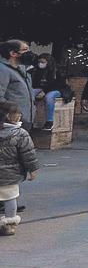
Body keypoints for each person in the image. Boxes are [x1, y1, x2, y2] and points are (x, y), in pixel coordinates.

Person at [0, 101, 38, 235]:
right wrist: (33, 170)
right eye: (17, 113)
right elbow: (29, 154)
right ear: (8, 116)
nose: (20, 115)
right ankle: (9, 224)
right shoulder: (21, 133)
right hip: (11, 174)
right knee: (10, 198)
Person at [0, 41, 35, 133]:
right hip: (9, 124)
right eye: (25, 50)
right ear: (13, 53)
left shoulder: (23, 70)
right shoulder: (3, 70)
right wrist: (13, 111)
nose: (29, 53)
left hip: (24, 122)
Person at [30, 53, 61, 131]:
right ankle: (30, 120)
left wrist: (44, 92)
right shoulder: (37, 70)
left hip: (55, 89)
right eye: (39, 62)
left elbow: (57, 84)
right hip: (41, 88)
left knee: (49, 97)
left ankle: (49, 122)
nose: (40, 64)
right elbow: (35, 84)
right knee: (29, 93)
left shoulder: (56, 71)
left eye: (43, 62)